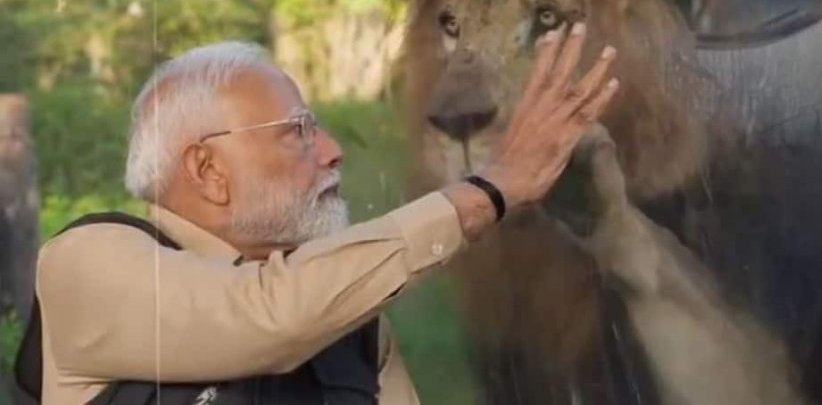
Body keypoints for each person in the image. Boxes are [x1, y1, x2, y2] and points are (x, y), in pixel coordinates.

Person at [30, 22, 618, 404]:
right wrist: (484, 193)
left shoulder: (348, 321)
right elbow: (266, 316)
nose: (333, 149)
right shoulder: (87, 262)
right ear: (208, 170)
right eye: (298, 132)